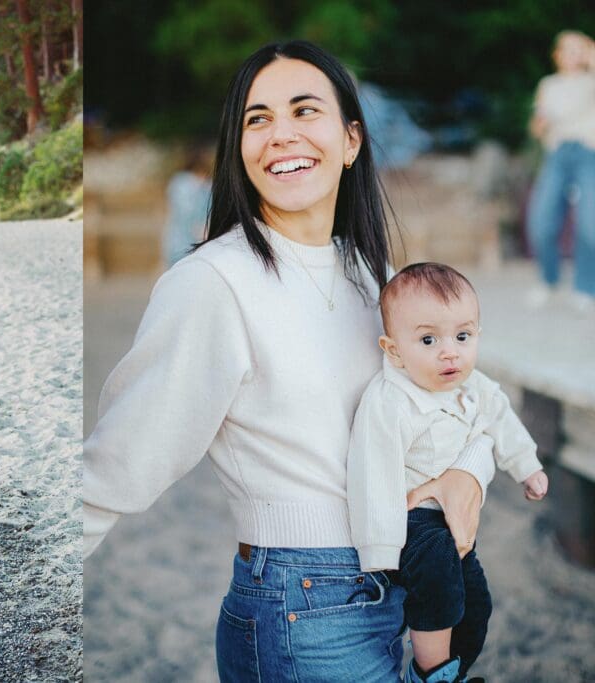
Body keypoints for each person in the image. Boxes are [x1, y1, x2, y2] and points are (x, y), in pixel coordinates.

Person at [83, 41, 498, 682]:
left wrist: (468, 472)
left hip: (407, 586)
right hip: (306, 605)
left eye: (305, 111)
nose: (281, 134)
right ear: (239, 147)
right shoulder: (214, 281)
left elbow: (455, 399)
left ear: (351, 139)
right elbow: (123, 459)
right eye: (257, 118)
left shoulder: (374, 276)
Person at [347, 262, 548, 682]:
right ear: (394, 350)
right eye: (428, 339)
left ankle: (453, 672)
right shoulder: (390, 402)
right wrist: (380, 554)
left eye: (462, 336)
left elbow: (502, 422)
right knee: (438, 582)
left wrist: (527, 466)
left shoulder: (474, 387)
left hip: (454, 523)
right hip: (411, 522)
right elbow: (373, 474)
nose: (449, 351)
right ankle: (430, 671)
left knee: (474, 602)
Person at [526, 30, 595, 310]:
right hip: (556, 154)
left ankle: (585, 287)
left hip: (587, 154)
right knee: (541, 221)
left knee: (590, 224)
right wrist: (539, 125)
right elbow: (536, 125)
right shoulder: (548, 85)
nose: (574, 54)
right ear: (557, 54)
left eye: (580, 48)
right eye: (569, 49)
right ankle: (549, 279)